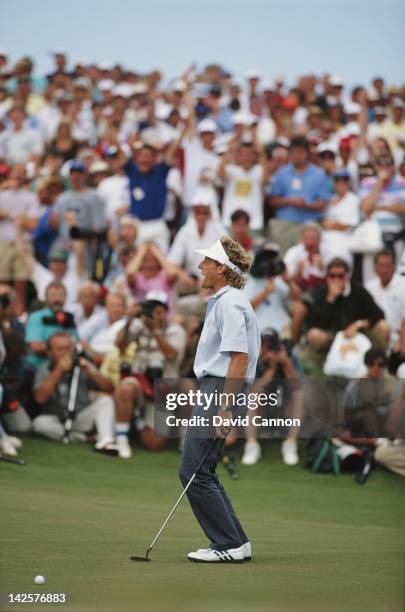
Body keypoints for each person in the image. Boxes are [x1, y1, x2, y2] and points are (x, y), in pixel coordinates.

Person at [179, 236, 261, 563]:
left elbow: (239, 359)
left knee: (193, 471)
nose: (200, 265)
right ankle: (235, 541)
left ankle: (228, 544)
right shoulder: (225, 301)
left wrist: (225, 407)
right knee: (203, 471)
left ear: (221, 269)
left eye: (206, 262)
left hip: (220, 390)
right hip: (216, 388)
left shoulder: (231, 303)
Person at [114, 292, 186, 458]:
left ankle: (139, 420)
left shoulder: (175, 330)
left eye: (159, 310)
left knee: (155, 444)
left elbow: (171, 355)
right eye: (150, 309)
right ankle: (121, 441)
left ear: (167, 312)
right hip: (140, 382)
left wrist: (156, 331)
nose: (154, 314)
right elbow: (119, 346)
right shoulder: (138, 325)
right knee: (126, 389)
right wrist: (128, 320)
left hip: (164, 388)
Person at [32, 332, 115, 449]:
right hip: (58, 420)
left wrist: (91, 371)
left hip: (81, 416)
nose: (66, 352)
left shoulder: (82, 366)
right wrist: (58, 371)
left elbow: (109, 388)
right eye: (60, 349)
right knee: (39, 424)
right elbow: (40, 398)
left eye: (68, 348)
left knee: (106, 401)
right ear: (49, 352)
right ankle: (84, 438)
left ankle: (106, 440)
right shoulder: (44, 369)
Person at [241, 328, 303, 466]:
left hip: (285, 408)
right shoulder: (253, 360)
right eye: (263, 344)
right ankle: (251, 445)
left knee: (299, 395)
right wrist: (271, 369)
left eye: (270, 344)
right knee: (251, 397)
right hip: (261, 410)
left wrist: (285, 362)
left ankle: (290, 444)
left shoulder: (290, 356)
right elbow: (254, 391)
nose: (266, 348)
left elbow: (297, 386)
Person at [269, 135, 330, 254]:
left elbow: (322, 202)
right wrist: (289, 201)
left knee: (308, 256)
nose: (297, 155)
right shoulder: (282, 173)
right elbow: (273, 200)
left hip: (309, 223)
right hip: (285, 223)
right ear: (290, 154)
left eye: (300, 152)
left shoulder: (319, 174)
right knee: (283, 256)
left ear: (307, 153)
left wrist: (306, 205)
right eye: (294, 152)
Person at [0, 164, 41, 312]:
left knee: (21, 284)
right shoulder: (2, 195)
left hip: (23, 244)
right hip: (3, 243)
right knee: (1, 281)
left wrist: (12, 216)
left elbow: (33, 224)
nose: (17, 176)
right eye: (15, 172)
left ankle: (19, 314)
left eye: (21, 173)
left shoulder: (30, 197)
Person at [25, 281, 79, 370]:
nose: (57, 299)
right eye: (53, 296)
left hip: (65, 366)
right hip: (37, 367)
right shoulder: (36, 317)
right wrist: (63, 348)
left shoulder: (69, 318)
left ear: (65, 298)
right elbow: (35, 346)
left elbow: (76, 343)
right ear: (46, 298)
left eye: (60, 296)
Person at [365, 250, 405, 345]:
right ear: (375, 268)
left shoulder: (403, 285)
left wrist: (401, 340)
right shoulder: (369, 287)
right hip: (376, 336)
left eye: (388, 265)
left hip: (400, 336)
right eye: (381, 265)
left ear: (394, 267)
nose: (385, 270)